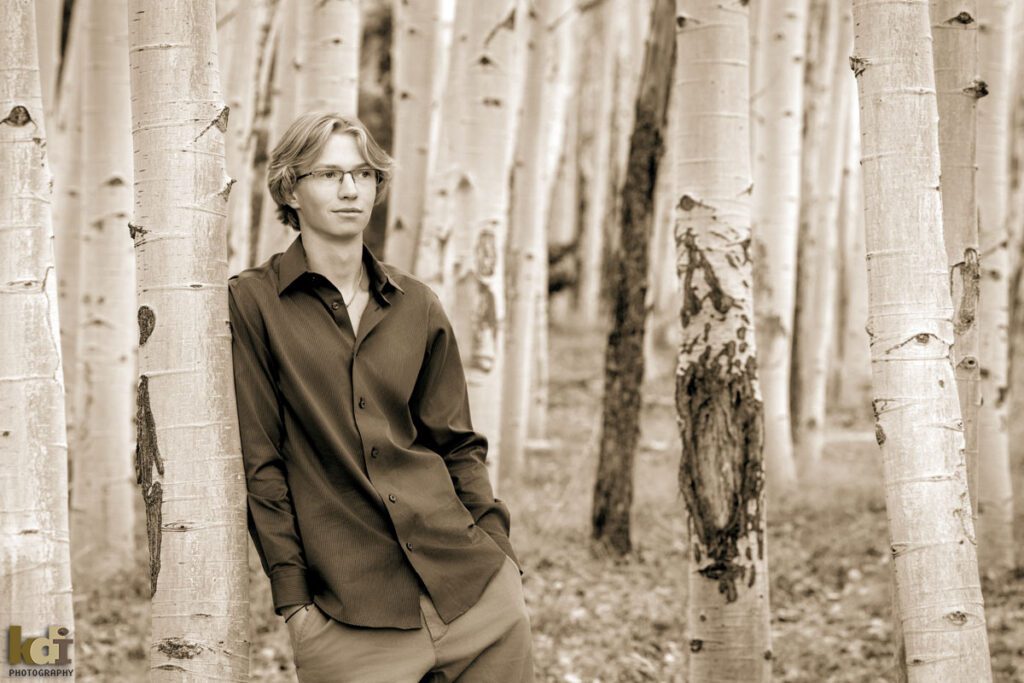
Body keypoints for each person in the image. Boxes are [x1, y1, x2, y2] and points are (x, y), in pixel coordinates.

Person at [228, 111, 533, 682]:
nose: (350, 189)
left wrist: (501, 554)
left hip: (474, 594)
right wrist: (294, 604)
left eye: (363, 174)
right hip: (349, 617)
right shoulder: (253, 303)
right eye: (328, 174)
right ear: (290, 190)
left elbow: (456, 445)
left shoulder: (416, 304)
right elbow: (260, 461)